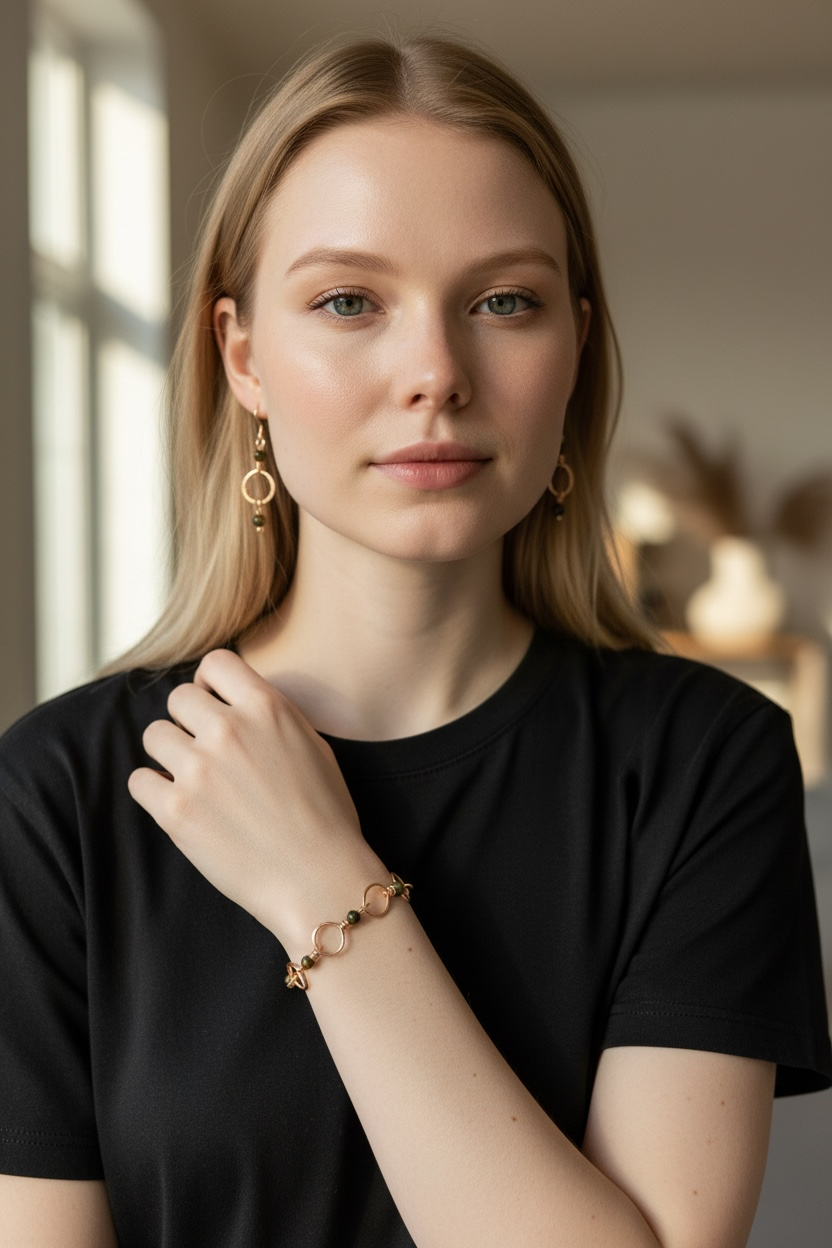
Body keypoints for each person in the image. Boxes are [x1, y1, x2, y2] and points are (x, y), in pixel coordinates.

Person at [0, 33, 829, 1248]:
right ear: (243, 356)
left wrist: (324, 888)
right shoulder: (57, 796)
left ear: (575, 346)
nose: (435, 373)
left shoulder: (705, 765)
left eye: (504, 302)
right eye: (349, 301)